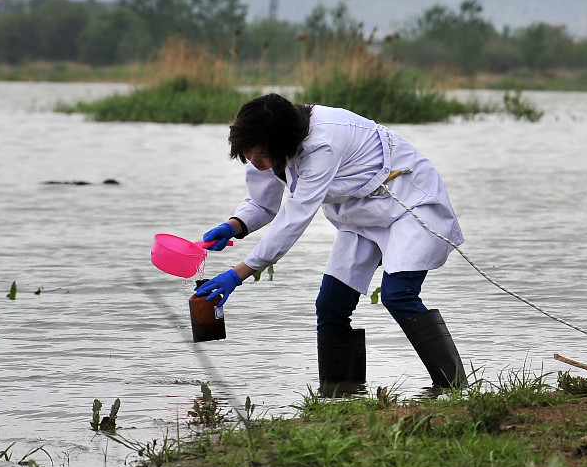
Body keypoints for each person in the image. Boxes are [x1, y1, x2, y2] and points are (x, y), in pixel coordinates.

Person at [194, 93, 469, 392]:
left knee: (398, 295)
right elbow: (263, 203)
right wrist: (235, 225)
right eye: (248, 155)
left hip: (408, 204)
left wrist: (239, 273)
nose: (253, 162)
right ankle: (342, 396)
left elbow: (295, 217)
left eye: (259, 155)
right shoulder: (267, 147)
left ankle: (453, 389)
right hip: (361, 215)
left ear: (281, 142)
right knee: (330, 307)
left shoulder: (322, 143)